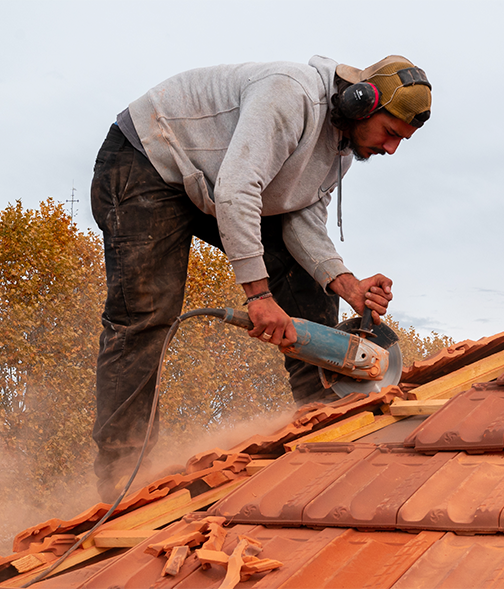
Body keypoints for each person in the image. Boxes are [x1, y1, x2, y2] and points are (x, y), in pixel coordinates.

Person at [89, 55, 432, 501]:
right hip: (147, 162)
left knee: (305, 278)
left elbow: (300, 222)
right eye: (390, 133)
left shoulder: (340, 150)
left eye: (401, 140)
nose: (392, 149)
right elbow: (236, 192)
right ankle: (122, 471)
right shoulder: (289, 95)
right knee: (147, 312)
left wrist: (347, 284)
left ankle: (322, 417)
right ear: (361, 102)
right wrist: (259, 296)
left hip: (213, 182)